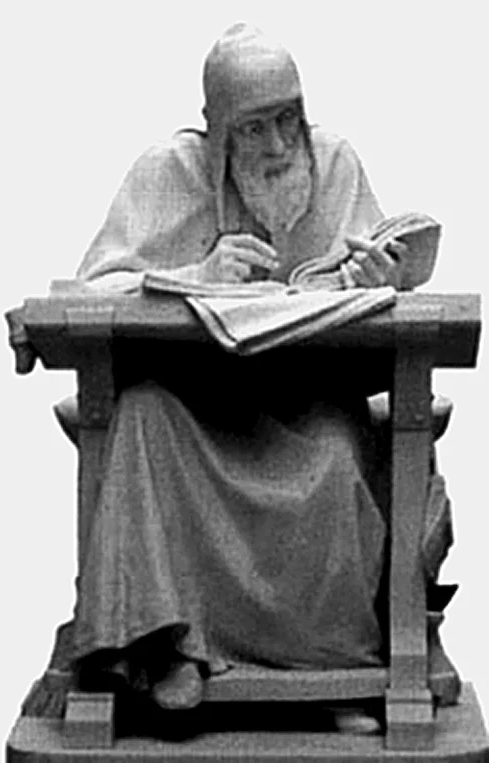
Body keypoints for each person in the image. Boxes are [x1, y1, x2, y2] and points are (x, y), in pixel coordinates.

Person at [58, 23, 452, 727]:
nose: (277, 145)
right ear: (216, 135)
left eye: (288, 119)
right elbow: (89, 295)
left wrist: (379, 281)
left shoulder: (335, 166)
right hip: (191, 402)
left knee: (336, 455)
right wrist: (195, 274)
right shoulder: (165, 173)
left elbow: (377, 298)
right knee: (143, 415)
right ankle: (166, 645)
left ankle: (334, 673)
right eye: (254, 127)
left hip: (306, 402)